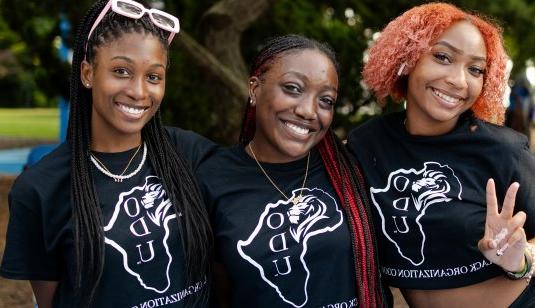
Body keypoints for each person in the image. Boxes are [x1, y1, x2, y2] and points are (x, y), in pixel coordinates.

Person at [347, 3, 535, 307]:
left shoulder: (500, 149)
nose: (459, 80)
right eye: (442, 57)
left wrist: (520, 258)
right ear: (408, 58)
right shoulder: (366, 145)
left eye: (475, 69)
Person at [0, 0, 214, 307]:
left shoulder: (190, 154)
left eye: (154, 77)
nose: (139, 92)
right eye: (121, 71)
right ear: (88, 73)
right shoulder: (40, 189)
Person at [197, 34, 386, 308]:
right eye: (293, 88)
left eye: (326, 101)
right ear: (254, 88)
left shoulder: (351, 170)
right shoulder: (212, 177)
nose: (309, 111)